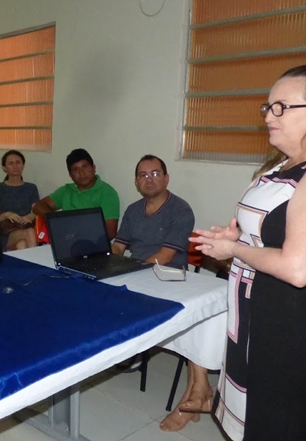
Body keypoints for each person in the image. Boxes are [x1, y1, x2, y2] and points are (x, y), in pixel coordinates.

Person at [190, 64, 306, 440]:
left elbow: (299, 268)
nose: (269, 116)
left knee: (274, 426)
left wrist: (234, 248)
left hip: (287, 326)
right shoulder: (281, 167)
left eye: (282, 107)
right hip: (253, 317)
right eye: (267, 107)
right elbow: (267, 237)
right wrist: (237, 237)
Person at [109, 154, 206, 431]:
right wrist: (108, 260)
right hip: (136, 274)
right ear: (136, 182)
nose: (149, 179)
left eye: (155, 173)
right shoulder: (133, 210)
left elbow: (165, 256)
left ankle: (197, 392)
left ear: (166, 178)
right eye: (142, 175)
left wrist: (129, 269)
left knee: (196, 319)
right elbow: (119, 246)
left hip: (170, 277)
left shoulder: (181, 210)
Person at [32, 148, 120, 239]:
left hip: (92, 243)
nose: (81, 173)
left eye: (85, 167)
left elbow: (110, 232)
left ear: (94, 168)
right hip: (66, 240)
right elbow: (38, 206)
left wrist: (78, 235)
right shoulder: (66, 191)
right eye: (75, 169)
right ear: (70, 175)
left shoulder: (107, 192)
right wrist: (57, 221)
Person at [0, 150, 39, 251]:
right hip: (4, 232)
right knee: (30, 232)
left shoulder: (31, 188)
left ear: (23, 165)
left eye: (18, 162)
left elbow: (36, 211)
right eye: (11, 163)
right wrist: (7, 214)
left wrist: (30, 216)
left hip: (24, 227)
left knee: (22, 245)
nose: (15, 166)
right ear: (4, 168)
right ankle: (37, 260)